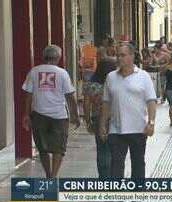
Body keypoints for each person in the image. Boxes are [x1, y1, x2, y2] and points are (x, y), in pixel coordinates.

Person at [99, 43, 157, 202]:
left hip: (138, 128)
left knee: (138, 161)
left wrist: (151, 122)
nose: (119, 58)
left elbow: (151, 101)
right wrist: (103, 124)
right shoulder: (111, 77)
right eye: (117, 55)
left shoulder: (143, 76)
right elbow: (106, 102)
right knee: (116, 162)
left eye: (123, 55)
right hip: (116, 128)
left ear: (132, 57)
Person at [22, 45, 80, 178]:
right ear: (58, 57)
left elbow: (28, 95)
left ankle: (48, 174)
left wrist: (26, 114)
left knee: (42, 148)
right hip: (59, 116)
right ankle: (53, 176)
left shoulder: (34, 71)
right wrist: (75, 115)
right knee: (58, 148)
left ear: (44, 57)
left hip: (39, 115)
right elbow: (70, 96)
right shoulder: (62, 73)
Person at [83, 55, 117, 178]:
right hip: (115, 119)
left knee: (101, 149)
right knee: (115, 150)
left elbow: (86, 104)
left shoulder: (91, 85)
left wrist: (87, 122)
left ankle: (103, 178)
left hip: (97, 119)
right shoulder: (116, 84)